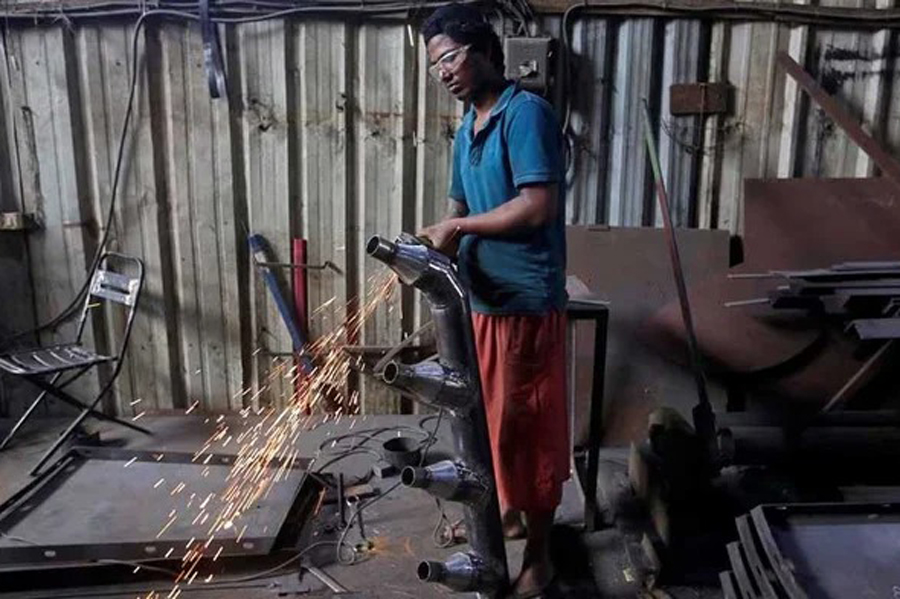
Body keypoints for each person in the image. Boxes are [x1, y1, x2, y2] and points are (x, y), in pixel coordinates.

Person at [418, 5, 569, 597]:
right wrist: (436, 234)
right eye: (435, 66)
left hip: (525, 304)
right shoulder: (466, 128)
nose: (445, 73)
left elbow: (537, 206)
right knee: (486, 427)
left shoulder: (525, 115)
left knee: (530, 433)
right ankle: (502, 515)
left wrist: (461, 231)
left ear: (484, 50)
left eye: (451, 58)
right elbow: (459, 208)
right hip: (480, 304)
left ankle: (541, 551)